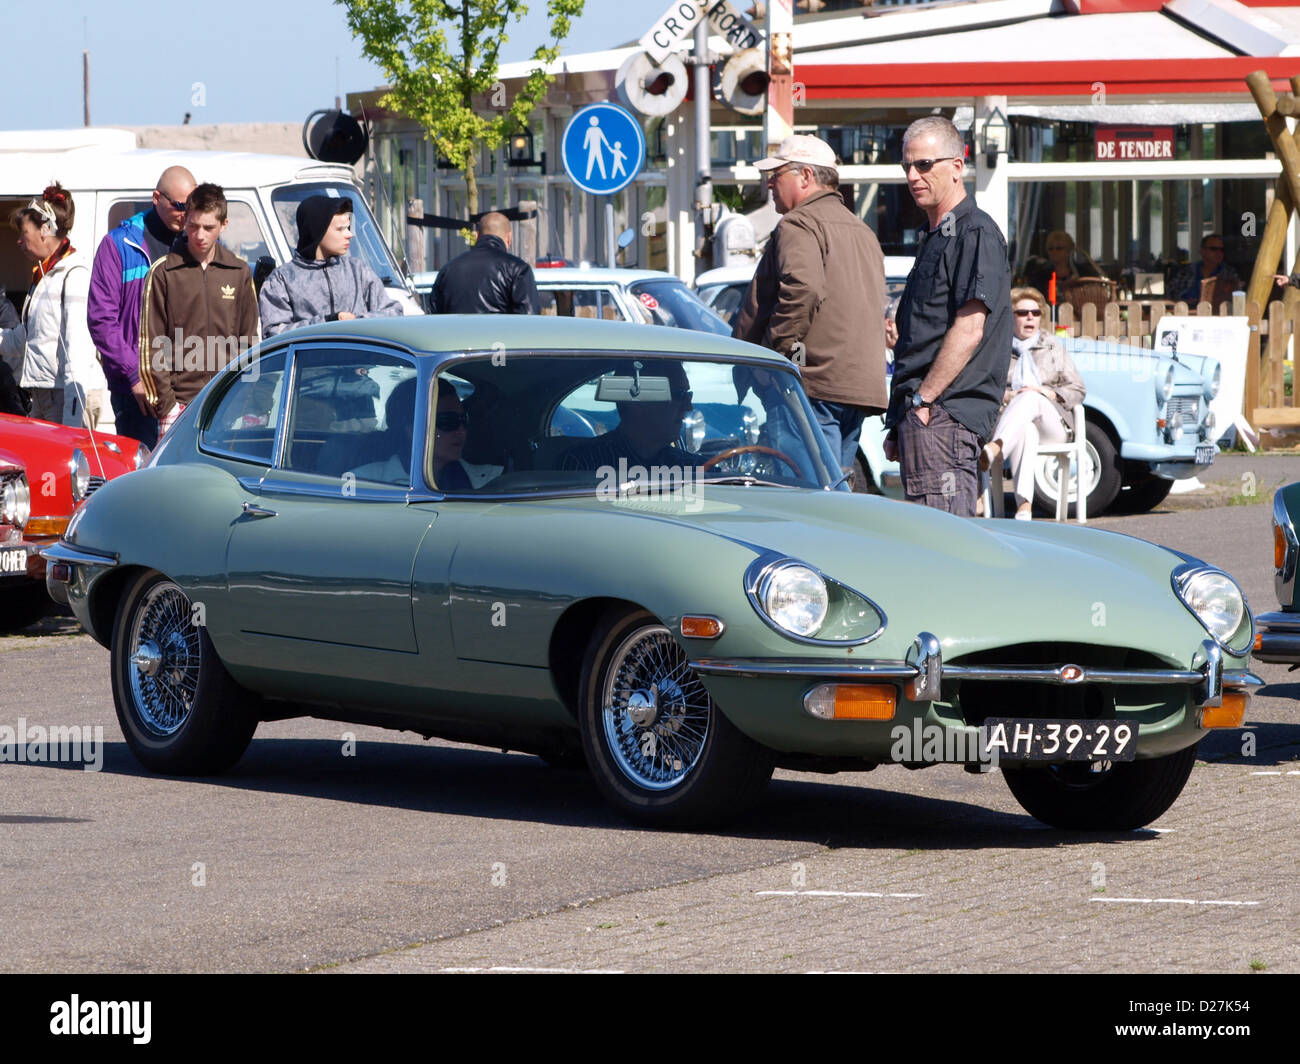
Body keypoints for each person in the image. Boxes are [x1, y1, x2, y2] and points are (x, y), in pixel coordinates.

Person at [731, 134, 888, 479]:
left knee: (805, 501)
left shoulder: (799, 223)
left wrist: (773, 358)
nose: (770, 183)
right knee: (834, 498)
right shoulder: (861, 229)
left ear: (805, 177)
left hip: (812, 384)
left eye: (778, 174)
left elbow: (802, 287)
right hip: (854, 386)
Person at [885, 116, 1012, 516]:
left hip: (944, 418)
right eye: (907, 166)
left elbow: (970, 328)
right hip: (928, 419)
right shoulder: (938, 235)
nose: (912, 175)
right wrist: (901, 415)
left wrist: (923, 400)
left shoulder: (975, 233)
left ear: (957, 167)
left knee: (944, 554)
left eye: (924, 165)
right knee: (926, 551)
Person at [87, 166, 196, 449]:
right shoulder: (119, 245)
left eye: (193, 206)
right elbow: (102, 319)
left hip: (190, 384)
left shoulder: (199, 243)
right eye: (180, 206)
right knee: (143, 477)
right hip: (138, 393)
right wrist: (134, 375)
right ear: (157, 198)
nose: (188, 215)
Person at [138, 183, 259, 435]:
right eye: (193, 226)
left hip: (229, 405)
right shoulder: (163, 272)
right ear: (185, 221)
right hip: (179, 406)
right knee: (177, 476)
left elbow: (250, 342)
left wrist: (248, 400)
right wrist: (167, 405)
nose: (199, 235)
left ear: (224, 225)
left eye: (208, 228)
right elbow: (152, 343)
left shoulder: (239, 272)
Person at [0, 184, 109, 429]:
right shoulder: (45, 274)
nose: (19, 240)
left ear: (45, 230)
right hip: (45, 392)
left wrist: (73, 417)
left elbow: (77, 349)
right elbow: (26, 338)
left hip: (66, 393)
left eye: (24, 232)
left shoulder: (74, 274)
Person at [980, 286, 1086, 520]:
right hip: (1014, 424)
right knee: (1026, 428)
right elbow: (986, 389)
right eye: (1022, 313)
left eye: (1035, 313)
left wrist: (1047, 392)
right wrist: (1008, 396)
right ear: (1011, 317)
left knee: (1030, 396)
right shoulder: (999, 349)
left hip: (1053, 424)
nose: (1030, 317)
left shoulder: (1053, 347)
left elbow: (1077, 389)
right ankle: (1024, 506)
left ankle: (996, 448)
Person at [258, 195, 403, 337]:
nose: (349, 234)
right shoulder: (281, 280)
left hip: (361, 361)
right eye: (340, 229)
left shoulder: (358, 271)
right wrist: (328, 322)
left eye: (348, 228)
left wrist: (357, 322)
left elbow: (394, 313)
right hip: (311, 361)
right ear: (317, 231)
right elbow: (274, 334)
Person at [352, 379, 500, 489]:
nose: (461, 430)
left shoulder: (493, 481)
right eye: (448, 421)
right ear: (412, 429)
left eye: (464, 420)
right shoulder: (363, 483)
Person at [561, 362, 700, 474]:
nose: (688, 407)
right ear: (637, 401)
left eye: (688, 395)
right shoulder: (586, 464)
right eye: (679, 395)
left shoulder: (691, 467)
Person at [428, 213, 540, 315]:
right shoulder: (518, 269)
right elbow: (529, 321)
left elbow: (433, 319)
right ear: (509, 238)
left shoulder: (447, 270)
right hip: (500, 337)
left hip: (455, 337)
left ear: (477, 236)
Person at [1021, 230, 1104, 299]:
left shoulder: (1083, 272)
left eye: (1059, 248)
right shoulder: (1040, 274)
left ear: (1069, 250)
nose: (1054, 252)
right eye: (1050, 249)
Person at [1176, 234, 1238, 304]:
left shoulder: (1229, 274)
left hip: (1217, 313)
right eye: (1214, 249)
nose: (1219, 253)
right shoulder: (1186, 272)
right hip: (1184, 312)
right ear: (1203, 251)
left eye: (1222, 250)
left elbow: (1237, 299)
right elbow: (1170, 295)